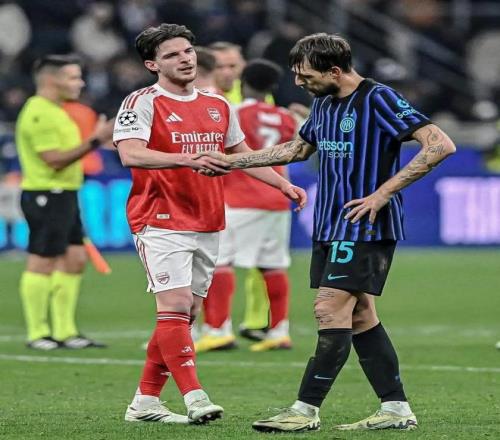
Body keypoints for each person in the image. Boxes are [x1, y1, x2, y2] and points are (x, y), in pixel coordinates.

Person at [198, 33, 456, 432]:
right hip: (331, 222)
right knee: (360, 315)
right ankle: (395, 408)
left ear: (335, 71)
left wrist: (383, 193)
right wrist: (232, 161)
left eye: (306, 76)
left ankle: (304, 410)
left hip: (364, 223)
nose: (298, 83)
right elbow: (297, 149)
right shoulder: (323, 101)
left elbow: (440, 145)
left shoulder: (378, 98)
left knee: (328, 308)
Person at [112, 23, 306, 425]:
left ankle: (145, 401)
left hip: (207, 218)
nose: (184, 59)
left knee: (186, 314)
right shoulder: (141, 102)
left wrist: (282, 184)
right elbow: (131, 154)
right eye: (171, 55)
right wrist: (187, 159)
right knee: (175, 305)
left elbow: (241, 154)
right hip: (159, 217)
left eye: (187, 51)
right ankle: (195, 396)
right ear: (152, 65)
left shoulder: (218, 104)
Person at [196, 59, 297, 353]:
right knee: (273, 265)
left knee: (219, 262)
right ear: (272, 88)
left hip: (239, 198)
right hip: (276, 198)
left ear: (243, 84)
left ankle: (218, 330)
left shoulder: (234, 112)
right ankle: (278, 332)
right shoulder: (285, 117)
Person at [16, 55, 113, 350]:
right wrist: (95, 140)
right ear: (50, 80)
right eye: (73, 77)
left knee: (75, 259)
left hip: (65, 193)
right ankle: (37, 333)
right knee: (43, 260)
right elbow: (54, 160)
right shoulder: (39, 113)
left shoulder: (58, 111)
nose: (80, 83)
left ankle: (65, 331)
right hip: (46, 194)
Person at [210, 41, 273, 339]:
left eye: (232, 66)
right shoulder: (198, 95)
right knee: (206, 260)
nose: (227, 72)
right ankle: (204, 325)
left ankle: (256, 321)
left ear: (243, 67)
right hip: (210, 188)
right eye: (219, 66)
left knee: (260, 259)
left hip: (247, 189)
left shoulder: (257, 97)